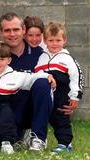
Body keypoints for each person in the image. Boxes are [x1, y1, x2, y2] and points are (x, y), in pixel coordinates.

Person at [0, 12, 56, 151]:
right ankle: (21, 134)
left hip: (29, 108)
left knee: (43, 83)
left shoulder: (40, 54)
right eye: (7, 30)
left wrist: (48, 77)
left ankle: (38, 136)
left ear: (23, 30)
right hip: (4, 111)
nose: (12, 34)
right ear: (1, 33)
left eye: (16, 29)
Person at [34, 22, 84, 153]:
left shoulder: (67, 58)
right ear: (45, 40)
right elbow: (36, 73)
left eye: (58, 40)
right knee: (51, 120)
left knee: (61, 120)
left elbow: (76, 77)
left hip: (62, 96)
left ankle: (64, 144)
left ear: (64, 40)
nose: (54, 43)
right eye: (51, 40)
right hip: (48, 97)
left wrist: (75, 96)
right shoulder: (42, 57)